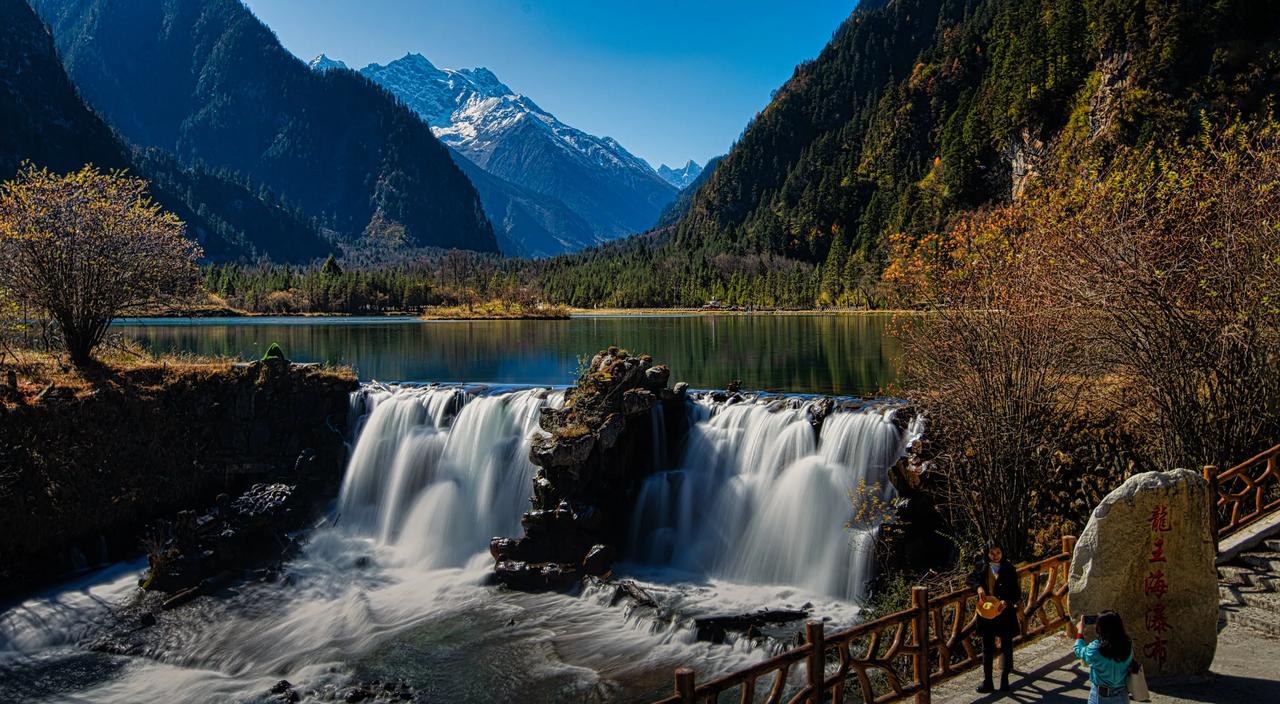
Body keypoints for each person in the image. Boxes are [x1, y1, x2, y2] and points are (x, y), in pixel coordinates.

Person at [965, 539, 1022, 692]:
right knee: (987, 647)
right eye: (992, 553)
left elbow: (1016, 593)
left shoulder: (1009, 568)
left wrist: (1007, 602)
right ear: (987, 553)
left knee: (1007, 646)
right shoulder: (982, 567)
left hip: (1004, 612)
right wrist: (978, 588)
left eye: (998, 553)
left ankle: (1004, 680)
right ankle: (988, 681)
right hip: (987, 612)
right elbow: (969, 579)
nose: (995, 556)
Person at [1068, 611, 1134, 703]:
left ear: (1100, 629)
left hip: (1100, 697)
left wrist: (1080, 630)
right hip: (1122, 695)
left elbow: (1079, 650)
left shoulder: (1096, 649)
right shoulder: (1127, 645)